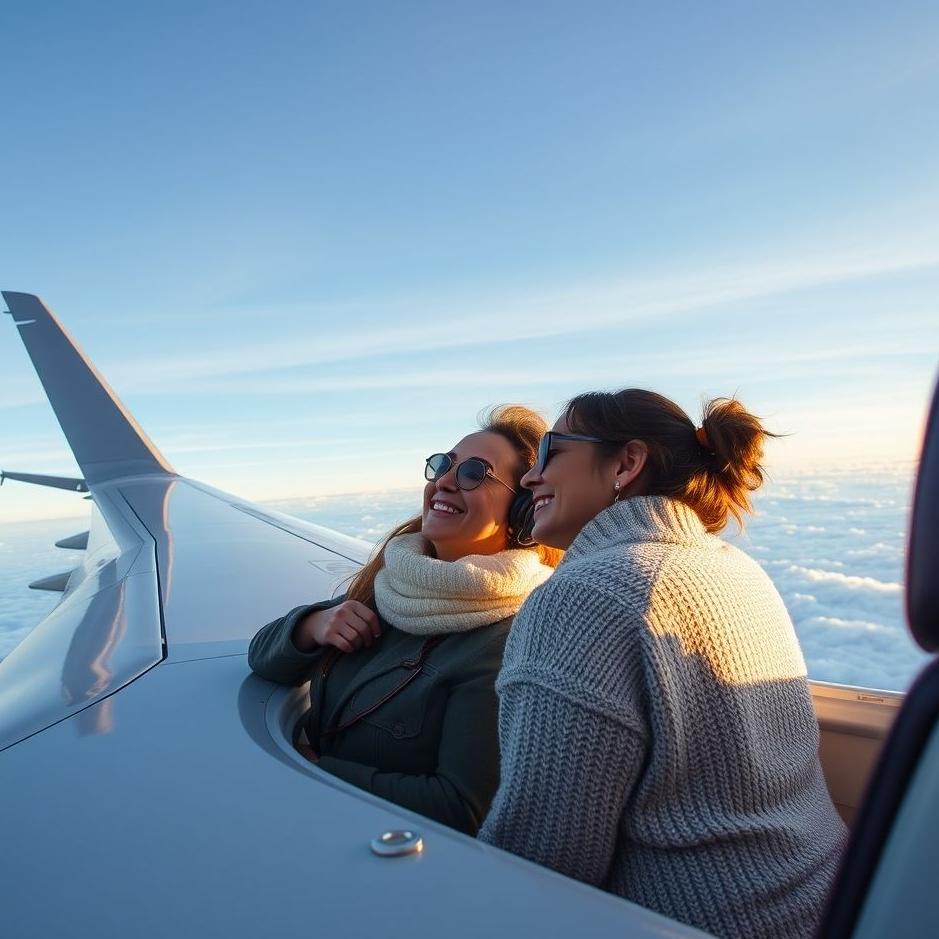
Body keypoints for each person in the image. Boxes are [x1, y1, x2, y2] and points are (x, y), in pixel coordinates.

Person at [478, 389, 848, 939]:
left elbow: (539, 857)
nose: (530, 479)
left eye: (549, 451)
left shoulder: (586, 596)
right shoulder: (736, 570)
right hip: (833, 896)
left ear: (627, 462)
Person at [248, 405, 561, 835]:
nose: (444, 481)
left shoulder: (509, 640)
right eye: (442, 465)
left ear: (522, 511)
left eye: (474, 473)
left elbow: (459, 807)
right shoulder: (398, 583)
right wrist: (311, 628)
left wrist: (316, 769)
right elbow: (262, 658)